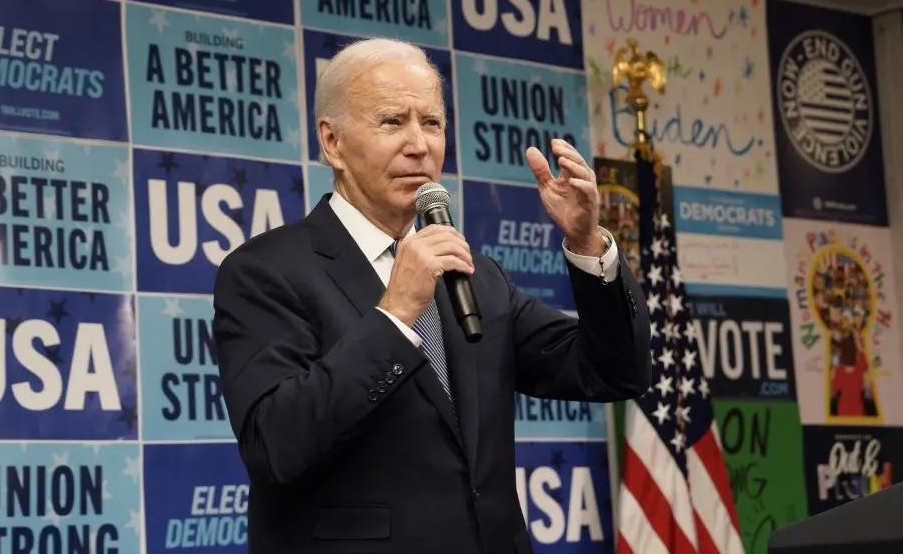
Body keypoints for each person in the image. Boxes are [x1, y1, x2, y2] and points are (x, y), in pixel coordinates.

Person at [212, 38, 651, 554]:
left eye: (433, 123)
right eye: (392, 122)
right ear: (332, 143)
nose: (419, 144)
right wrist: (395, 315)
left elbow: (614, 371)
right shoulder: (265, 271)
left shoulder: (476, 277)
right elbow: (275, 447)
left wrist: (587, 245)